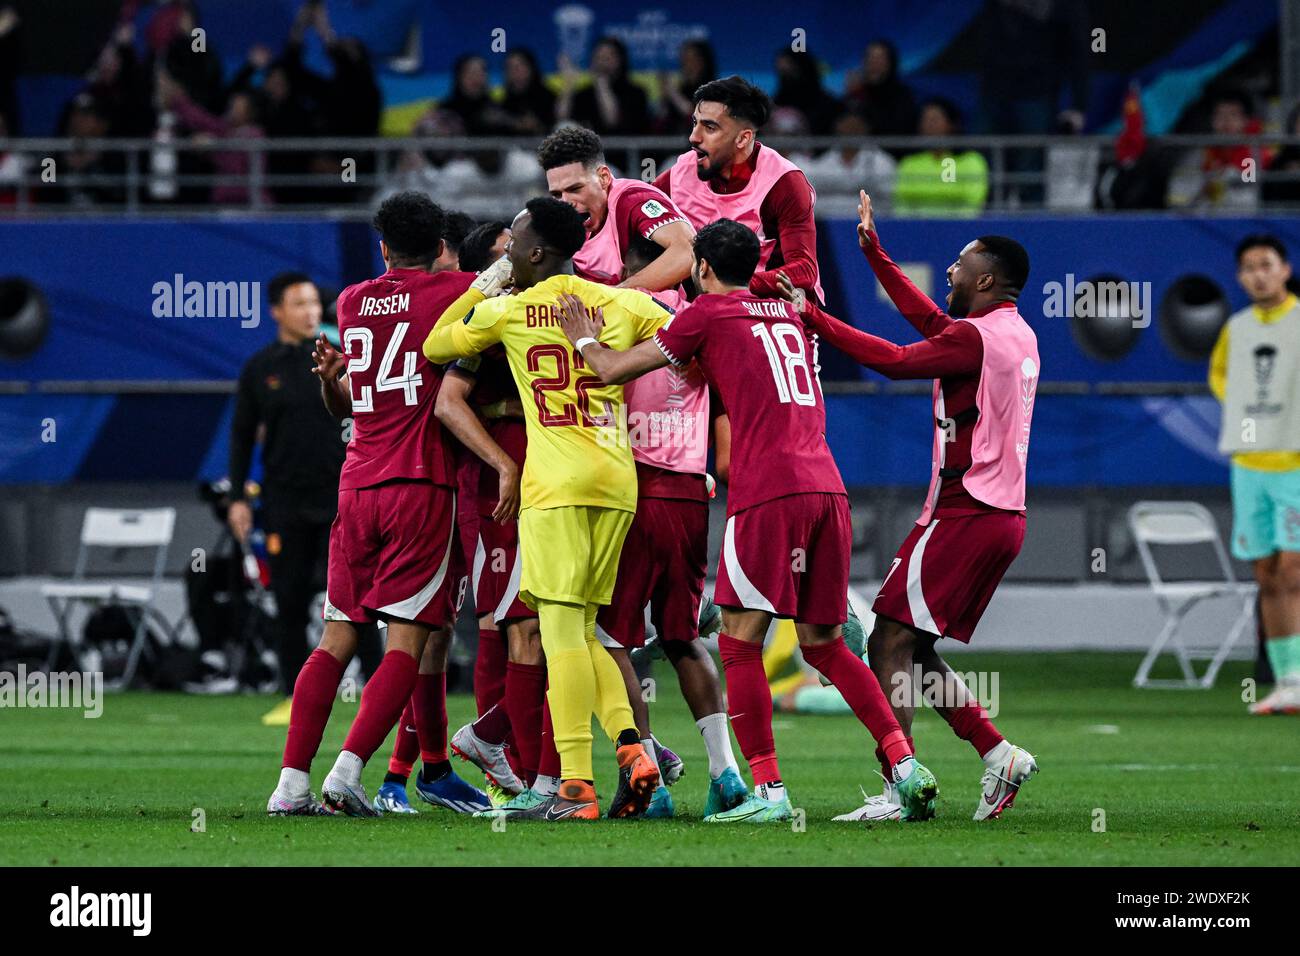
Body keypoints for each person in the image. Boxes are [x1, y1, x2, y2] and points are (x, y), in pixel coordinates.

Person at [554, 218, 938, 823]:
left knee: (736, 643)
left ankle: (768, 792)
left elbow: (610, 370)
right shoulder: (786, 313)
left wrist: (582, 337)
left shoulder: (704, 315)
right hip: (827, 488)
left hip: (768, 495)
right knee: (826, 644)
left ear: (702, 269)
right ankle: (905, 765)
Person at [793, 191, 1039, 822]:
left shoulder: (977, 340)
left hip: (966, 509)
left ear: (985, 279)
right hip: (998, 514)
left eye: (960, 264)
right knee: (914, 649)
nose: (950, 271)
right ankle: (997, 753)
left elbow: (898, 360)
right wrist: (877, 258)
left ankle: (898, 790)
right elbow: (933, 326)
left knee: (887, 643)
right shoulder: (1010, 332)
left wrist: (812, 317)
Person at [422, 197, 666, 821]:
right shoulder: (623, 302)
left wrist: (485, 281)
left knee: (560, 637)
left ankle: (574, 787)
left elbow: (434, 343)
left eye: (515, 243)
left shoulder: (508, 310)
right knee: (589, 634)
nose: (506, 250)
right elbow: (683, 338)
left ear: (534, 253)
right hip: (617, 479)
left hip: (554, 482)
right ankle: (633, 749)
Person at [265, 191, 479, 816]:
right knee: (407, 641)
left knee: (335, 638)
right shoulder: (458, 291)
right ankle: (348, 773)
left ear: (383, 247)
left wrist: (331, 379)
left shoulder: (354, 301)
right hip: (421, 486)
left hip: (357, 485)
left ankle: (289, 786)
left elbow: (352, 406)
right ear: (441, 246)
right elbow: (501, 277)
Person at [588, 235, 746, 819]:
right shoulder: (700, 325)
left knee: (610, 640)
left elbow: (596, 383)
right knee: (682, 637)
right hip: (688, 494)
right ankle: (727, 773)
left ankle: (648, 779)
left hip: (634, 492)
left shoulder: (618, 321)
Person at [228, 272, 371, 725]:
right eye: (299, 304)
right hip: (285, 500)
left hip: (341, 495)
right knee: (288, 598)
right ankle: (294, 696)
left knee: (357, 597)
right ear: (276, 311)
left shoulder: (342, 359)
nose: (310, 312)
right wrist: (237, 497)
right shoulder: (260, 368)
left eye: (314, 303)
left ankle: (377, 692)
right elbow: (241, 436)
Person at [1209, 234, 1300, 715]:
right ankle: (1289, 681)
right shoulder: (1237, 327)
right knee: (1266, 573)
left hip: (1295, 463)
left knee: (1294, 569)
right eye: (1247, 267)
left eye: (1266, 264)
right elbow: (1221, 375)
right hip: (1249, 464)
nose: (1257, 274)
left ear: (1285, 269)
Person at [652, 76, 823, 304]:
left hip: (770, 314)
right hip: (698, 313)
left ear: (743, 138)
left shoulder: (784, 183)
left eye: (709, 127)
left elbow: (804, 270)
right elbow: (634, 212)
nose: (693, 137)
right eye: (695, 123)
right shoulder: (680, 174)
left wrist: (732, 284)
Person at [539, 125, 694, 290]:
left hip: (663, 312)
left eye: (575, 189)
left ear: (603, 178)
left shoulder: (634, 199)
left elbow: (688, 250)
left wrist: (613, 298)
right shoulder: (561, 221)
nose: (565, 202)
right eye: (556, 194)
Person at [895, 99, 989, 217]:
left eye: (934, 120)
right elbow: (902, 205)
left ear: (951, 124)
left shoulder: (972, 160)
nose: (929, 125)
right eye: (925, 120)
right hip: (916, 229)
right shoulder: (909, 163)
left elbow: (973, 203)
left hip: (961, 229)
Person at [557, 36, 650, 136]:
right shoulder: (584, 94)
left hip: (621, 149)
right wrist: (569, 84)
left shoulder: (636, 93)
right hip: (588, 149)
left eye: (608, 58)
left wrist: (602, 86)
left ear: (621, 61)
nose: (602, 63)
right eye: (598, 58)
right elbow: (561, 119)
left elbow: (612, 122)